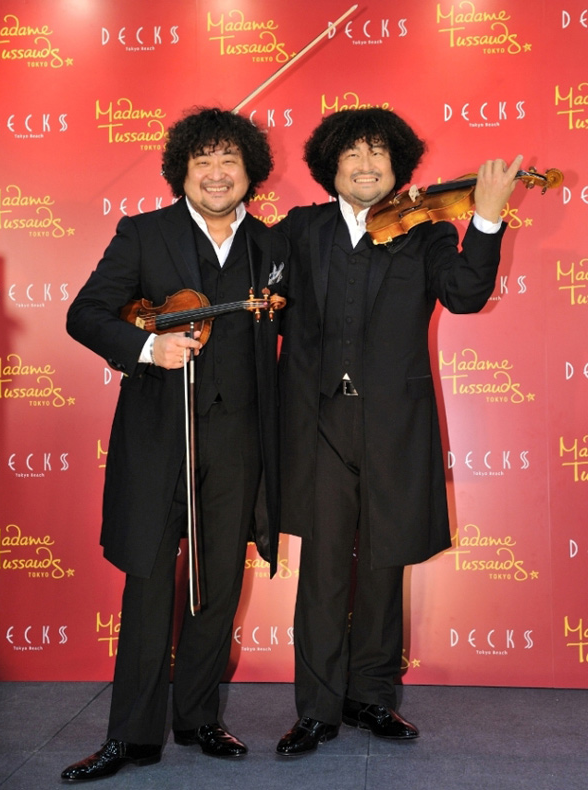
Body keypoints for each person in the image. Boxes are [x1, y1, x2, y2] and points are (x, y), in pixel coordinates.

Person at [274, 107, 522, 755]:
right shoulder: (299, 229)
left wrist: (486, 216)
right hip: (318, 422)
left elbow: (466, 293)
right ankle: (316, 711)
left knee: (385, 563)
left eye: (378, 153)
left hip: (394, 424)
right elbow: (253, 290)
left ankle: (371, 697)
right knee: (323, 569)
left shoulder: (427, 230)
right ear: (330, 165)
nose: (366, 165)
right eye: (352, 153)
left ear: (399, 165)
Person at [60, 107, 288, 782]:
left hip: (240, 439)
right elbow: (84, 314)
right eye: (202, 161)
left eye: (229, 161)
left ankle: (197, 718)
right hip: (159, 437)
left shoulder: (271, 246)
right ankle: (131, 736)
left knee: (217, 585)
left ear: (250, 172)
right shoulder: (143, 233)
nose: (217, 174)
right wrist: (146, 347)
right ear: (181, 171)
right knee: (151, 582)